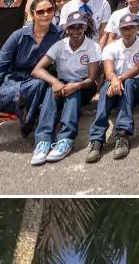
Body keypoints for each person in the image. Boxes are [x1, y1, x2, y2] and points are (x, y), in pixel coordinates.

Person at [0, 0, 63, 146]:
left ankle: (27, 117)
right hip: (13, 81)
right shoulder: (19, 36)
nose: (45, 14)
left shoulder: (59, 35)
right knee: (1, 102)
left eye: (49, 10)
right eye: (40, 12)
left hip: (40, 82)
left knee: (38, 85)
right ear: (32, 14)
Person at [29, 13, 102, 165]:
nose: (76, 31)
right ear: (67, 29)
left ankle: (66, 138)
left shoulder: (93, 46)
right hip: (63, 87)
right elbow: (37, 70)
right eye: (72, 27)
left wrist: (77, 85)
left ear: (85, 28)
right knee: (51, 89)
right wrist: (54, 81)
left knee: (74, 82)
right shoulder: (60, 45)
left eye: (80, 27)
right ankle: (43, 140)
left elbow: (91, 80)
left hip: (84, 88)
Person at [91, 13, 139, 162]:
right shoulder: (111, 47)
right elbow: (108, 71)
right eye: (124, 28)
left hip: (138, 86)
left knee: (129, 82)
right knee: (105, 87)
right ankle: (96, 138)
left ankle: (123, 133)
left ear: (138, 28)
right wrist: (114, 80)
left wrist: (119, 80)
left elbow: (137, 69)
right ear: (119, 29)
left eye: (131, 27)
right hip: (116, 86)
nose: (127, 31)